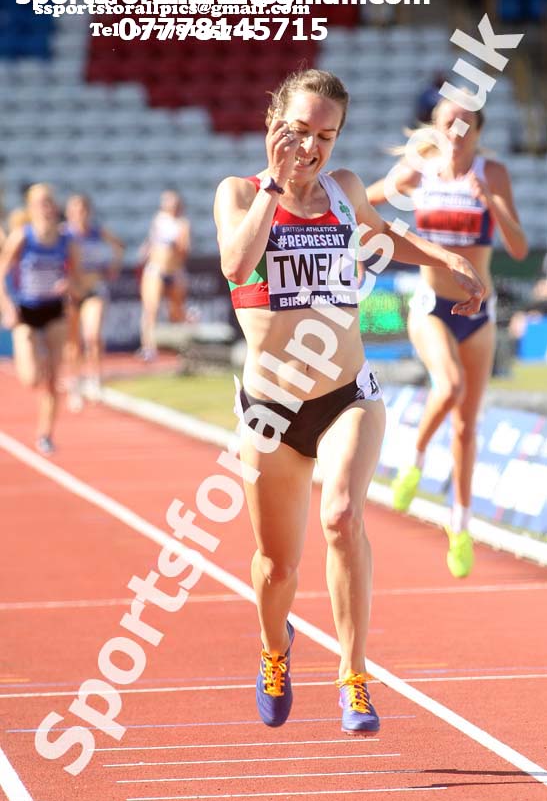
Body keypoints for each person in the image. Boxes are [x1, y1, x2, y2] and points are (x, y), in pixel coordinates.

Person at [213, 69, 484, 734]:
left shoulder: (344, 191)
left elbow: (383, 239)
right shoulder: (239, 193)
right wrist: (275, 189)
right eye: (299, 133)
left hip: (344, 395)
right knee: (276, 567)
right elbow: (235, 264)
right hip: (271, 410)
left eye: (325, 137)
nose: (311, 150)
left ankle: (353, 678)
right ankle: (276, 651)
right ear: (273, 125)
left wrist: (447, 263)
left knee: (339, 516)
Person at [367, 97, 528, 578]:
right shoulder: (420, 172)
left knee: (465, 427)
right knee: (449, 387)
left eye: (465, 124)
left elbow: (518, 248)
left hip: (479, 313)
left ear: (478, 130)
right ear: (433, 129)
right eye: (446, 123)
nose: (455, 132)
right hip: (431, 307)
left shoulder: (492, 172)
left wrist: (491, 200)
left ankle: (459, 527)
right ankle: (412, 460)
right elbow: (362, 200)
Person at [0, 184, 82, 454]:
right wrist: (8, 308)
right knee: (31, 378)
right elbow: (1, 275)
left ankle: (45, 434)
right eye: (40, 203)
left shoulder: (65, 240)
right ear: (31, 208)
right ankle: (39, 356)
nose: (47, 208)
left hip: (54, 310)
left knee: (53, 379)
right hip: (27, 311)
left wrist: (68, 284)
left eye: (49, 203)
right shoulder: (22, 237)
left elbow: (77, 279)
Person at [63, 194, 125, 410]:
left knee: (93, 335)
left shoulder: (97, 232)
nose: (80, 213)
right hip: (71, 292)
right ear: (69, 212)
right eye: (75, 209)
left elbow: (120, 245)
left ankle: (96, 380)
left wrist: (113, 267)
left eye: (83, 209)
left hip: (94, 289)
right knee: (73, 342)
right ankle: (74, 384)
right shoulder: (64, 234)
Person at [138, 190, 191, 361]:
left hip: (174, 271)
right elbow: (151, 242)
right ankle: (148, 347)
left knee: (176, 311)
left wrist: (178, 244)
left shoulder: (183, 224)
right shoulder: (159, 220)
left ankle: (180, 347)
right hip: (156, 269)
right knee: (151, 309)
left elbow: (184, 250)